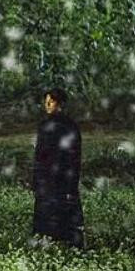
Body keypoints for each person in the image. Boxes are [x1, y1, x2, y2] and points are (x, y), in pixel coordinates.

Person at [31, 87, 85, 248]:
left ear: (59, 103)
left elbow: (74, 156)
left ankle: (64, 245)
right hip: (48, 177)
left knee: (62, 211)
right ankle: (53, 244)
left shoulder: (68, 126)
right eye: (46, 101)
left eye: (51, 101)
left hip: (60, 176)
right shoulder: (46, 125)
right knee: (49, 213)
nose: (47, 104)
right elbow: (39, 155)